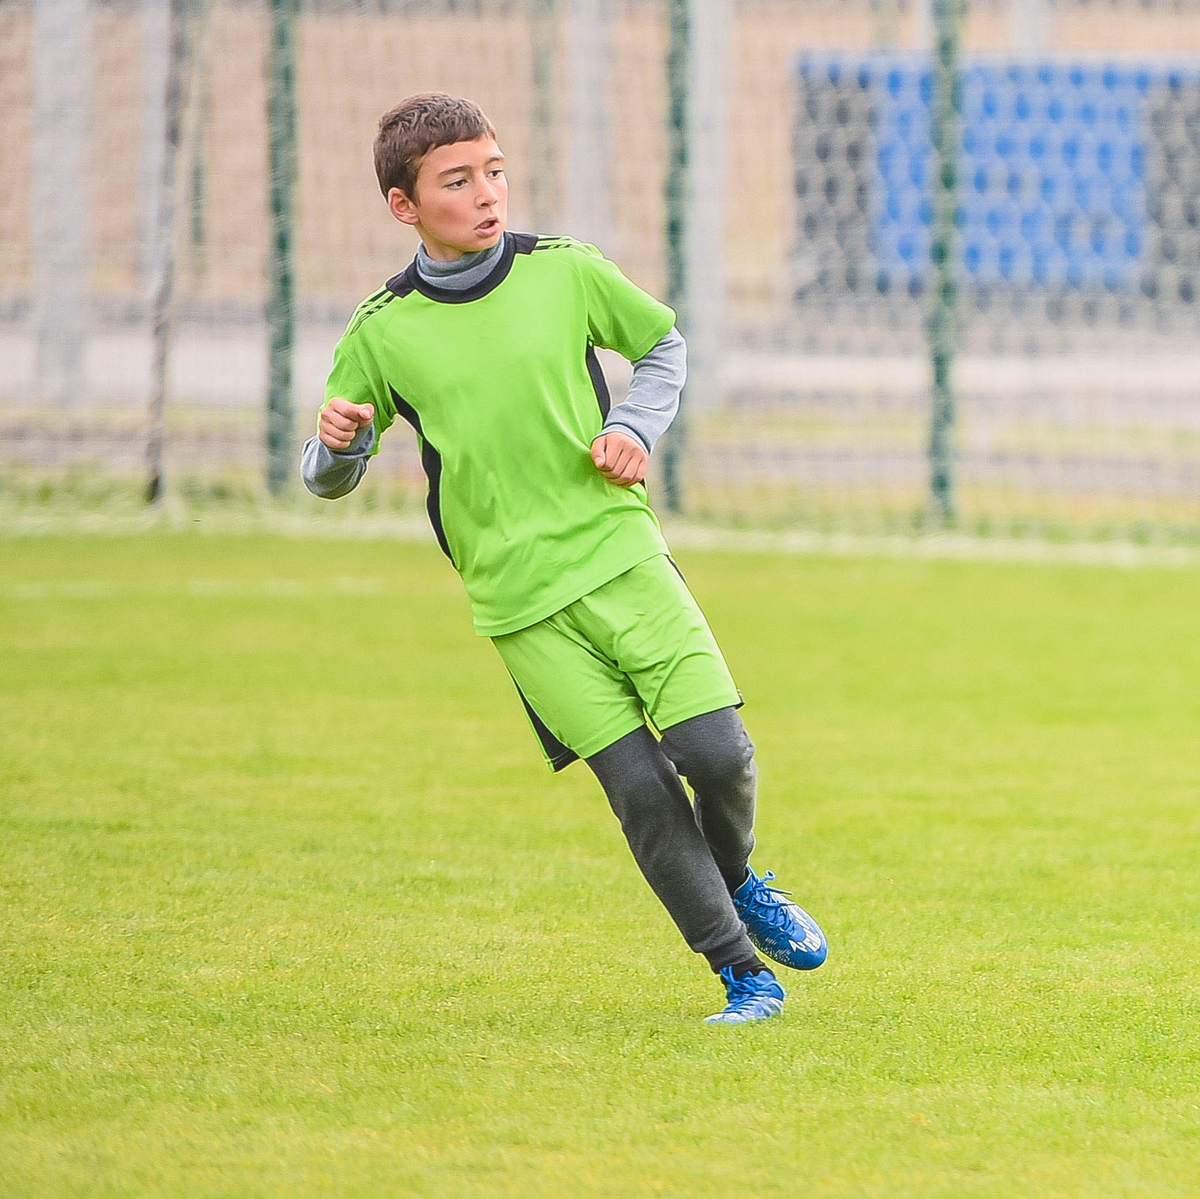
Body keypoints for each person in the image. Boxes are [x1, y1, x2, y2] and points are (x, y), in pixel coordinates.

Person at [303, 91, 827, 1022]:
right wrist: (338, 444)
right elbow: (328, 476)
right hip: (520, 602)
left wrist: (634, 423)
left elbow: (663, 345)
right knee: (639, 789)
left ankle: (742, 874)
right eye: (457, 180)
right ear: (405, 205)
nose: (487, 193)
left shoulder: (567, 271)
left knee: (718, 752)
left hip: (621, 555)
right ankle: (742, 972)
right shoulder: (381, 330)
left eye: (495, 170)